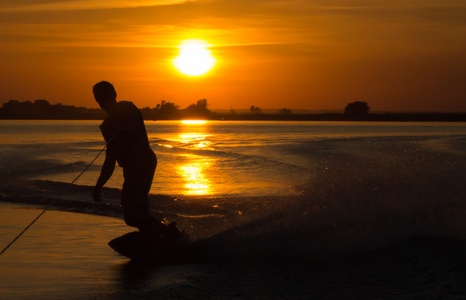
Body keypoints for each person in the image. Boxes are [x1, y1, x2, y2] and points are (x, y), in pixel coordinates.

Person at [92, 81, 183, 239]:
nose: (102, 102)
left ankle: (170, 235)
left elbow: (129, 118)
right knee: (130, 214)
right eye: (98, 98)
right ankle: (154, 236)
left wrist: (117, 122)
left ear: (114, 95)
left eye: (104, 97)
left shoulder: (127, 108)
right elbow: (110, 160)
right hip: (131, 169)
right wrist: (98, 186)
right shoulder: (106, 127)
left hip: (143, 162)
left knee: (135, 210)